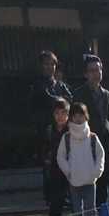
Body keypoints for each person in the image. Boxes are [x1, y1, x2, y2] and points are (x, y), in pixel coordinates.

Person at [56, 100, 105, 216]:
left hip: (90, 181)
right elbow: (60, 157)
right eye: (75, 115)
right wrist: (69, 171)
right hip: (74, 181)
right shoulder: (66, 137)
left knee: (91, 211)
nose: (78, 118)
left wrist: (96, 172)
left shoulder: (93, 137)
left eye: (81, 115)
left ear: (86, 116)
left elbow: (100, 155)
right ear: (71, 117)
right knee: (77, 211)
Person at [73, 54, 109, 216]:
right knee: (89, 184)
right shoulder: (78, 94)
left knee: (104, 181)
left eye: (98, 70)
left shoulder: (108, 95)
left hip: (105, 143)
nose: (96, 73)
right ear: (85, 74)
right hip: (86, 143)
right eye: (92, 70)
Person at [31, 51, 73, 201]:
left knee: (66, 160)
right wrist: (61, 101)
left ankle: (65, 193)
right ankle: (51, 195)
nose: (49, 67)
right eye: (46, 64)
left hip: (63, 128)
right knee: (50, 163)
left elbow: (70, 98)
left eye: (52, 64)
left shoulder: (60, 85)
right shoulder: (38, 85)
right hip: (47, 130)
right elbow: (48, 99)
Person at [45, 98, 74, 216]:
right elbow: (46, 148)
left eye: (63, 113)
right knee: (56, 200)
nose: (60, 116)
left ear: (68, 114)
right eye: (57, 113)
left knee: (76, 199)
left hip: (72, 168)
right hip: (55, 169)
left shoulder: (73, 129)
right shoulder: (50, 129)